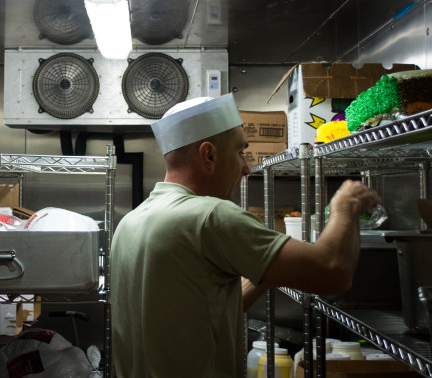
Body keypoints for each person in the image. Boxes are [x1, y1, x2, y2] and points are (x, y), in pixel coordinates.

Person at [110, 94, 381, 378]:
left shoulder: (132, 221)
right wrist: (345, 206)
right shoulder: (211, 215)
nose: (246, 167)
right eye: (241, 152)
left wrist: (265, 267)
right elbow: (333, 271)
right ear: (209, 155)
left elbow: (202, 310)